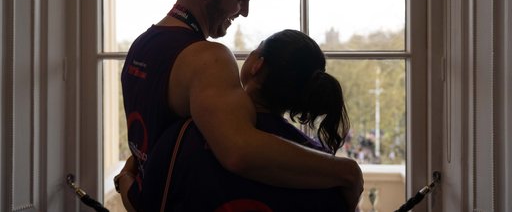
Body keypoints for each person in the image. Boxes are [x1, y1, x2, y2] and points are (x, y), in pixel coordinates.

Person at [115, 0, 363, 211]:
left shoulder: (141, 46)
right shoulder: (208, 58)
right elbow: (239, 152)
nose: (244, 12)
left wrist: (128, 181)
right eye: (240, 0)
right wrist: (346, 171)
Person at [126, 29, 353, 211]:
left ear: (257, 65)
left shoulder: (183, 138)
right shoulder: (321, 168)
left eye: (255, 49)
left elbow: (142, 204)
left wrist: (125, 178)